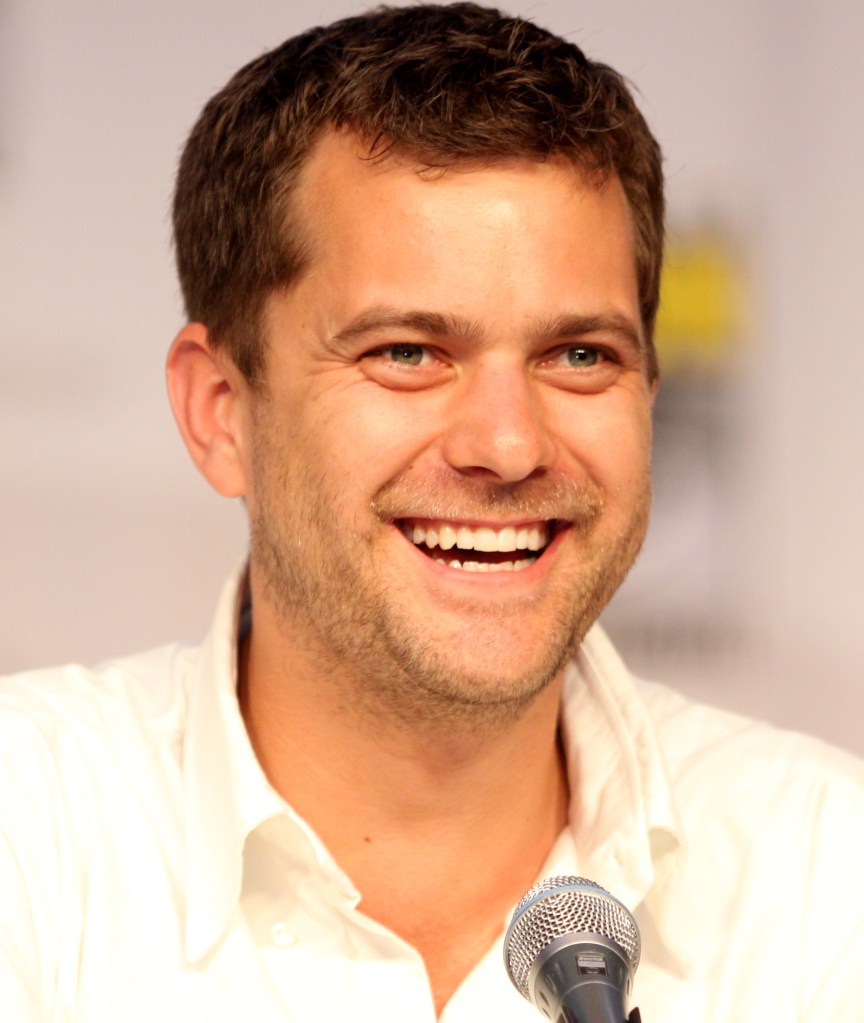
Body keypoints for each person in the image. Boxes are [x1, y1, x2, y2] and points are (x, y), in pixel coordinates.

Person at [2, 4, 862, 1021]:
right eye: (407, 353)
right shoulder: (29, 832)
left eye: (578, 355)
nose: (509, 444)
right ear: (221, 410)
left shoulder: (824, 878)